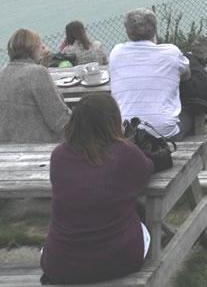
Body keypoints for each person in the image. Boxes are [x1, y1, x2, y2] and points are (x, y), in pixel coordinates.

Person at [40, 94, 153, 285]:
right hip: (119, 261)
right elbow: (146, 170)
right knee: (145, 219)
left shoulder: (58, 156)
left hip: (60, 264)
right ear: (114, 121)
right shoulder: (126, 153)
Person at [109, 8, 191, 139]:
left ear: (128, 32)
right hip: (163, 134)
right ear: (154, 29)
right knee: (191, 111)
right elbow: (187, 76)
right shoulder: (171, 52)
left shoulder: (116, 52)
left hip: (126, 133)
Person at [0, 29, 70, 143]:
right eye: (39, 44)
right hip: (38, 146)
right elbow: (58, 120)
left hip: (7, 149)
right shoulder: (38, 73)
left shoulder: (2, 73)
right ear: (32, 48)